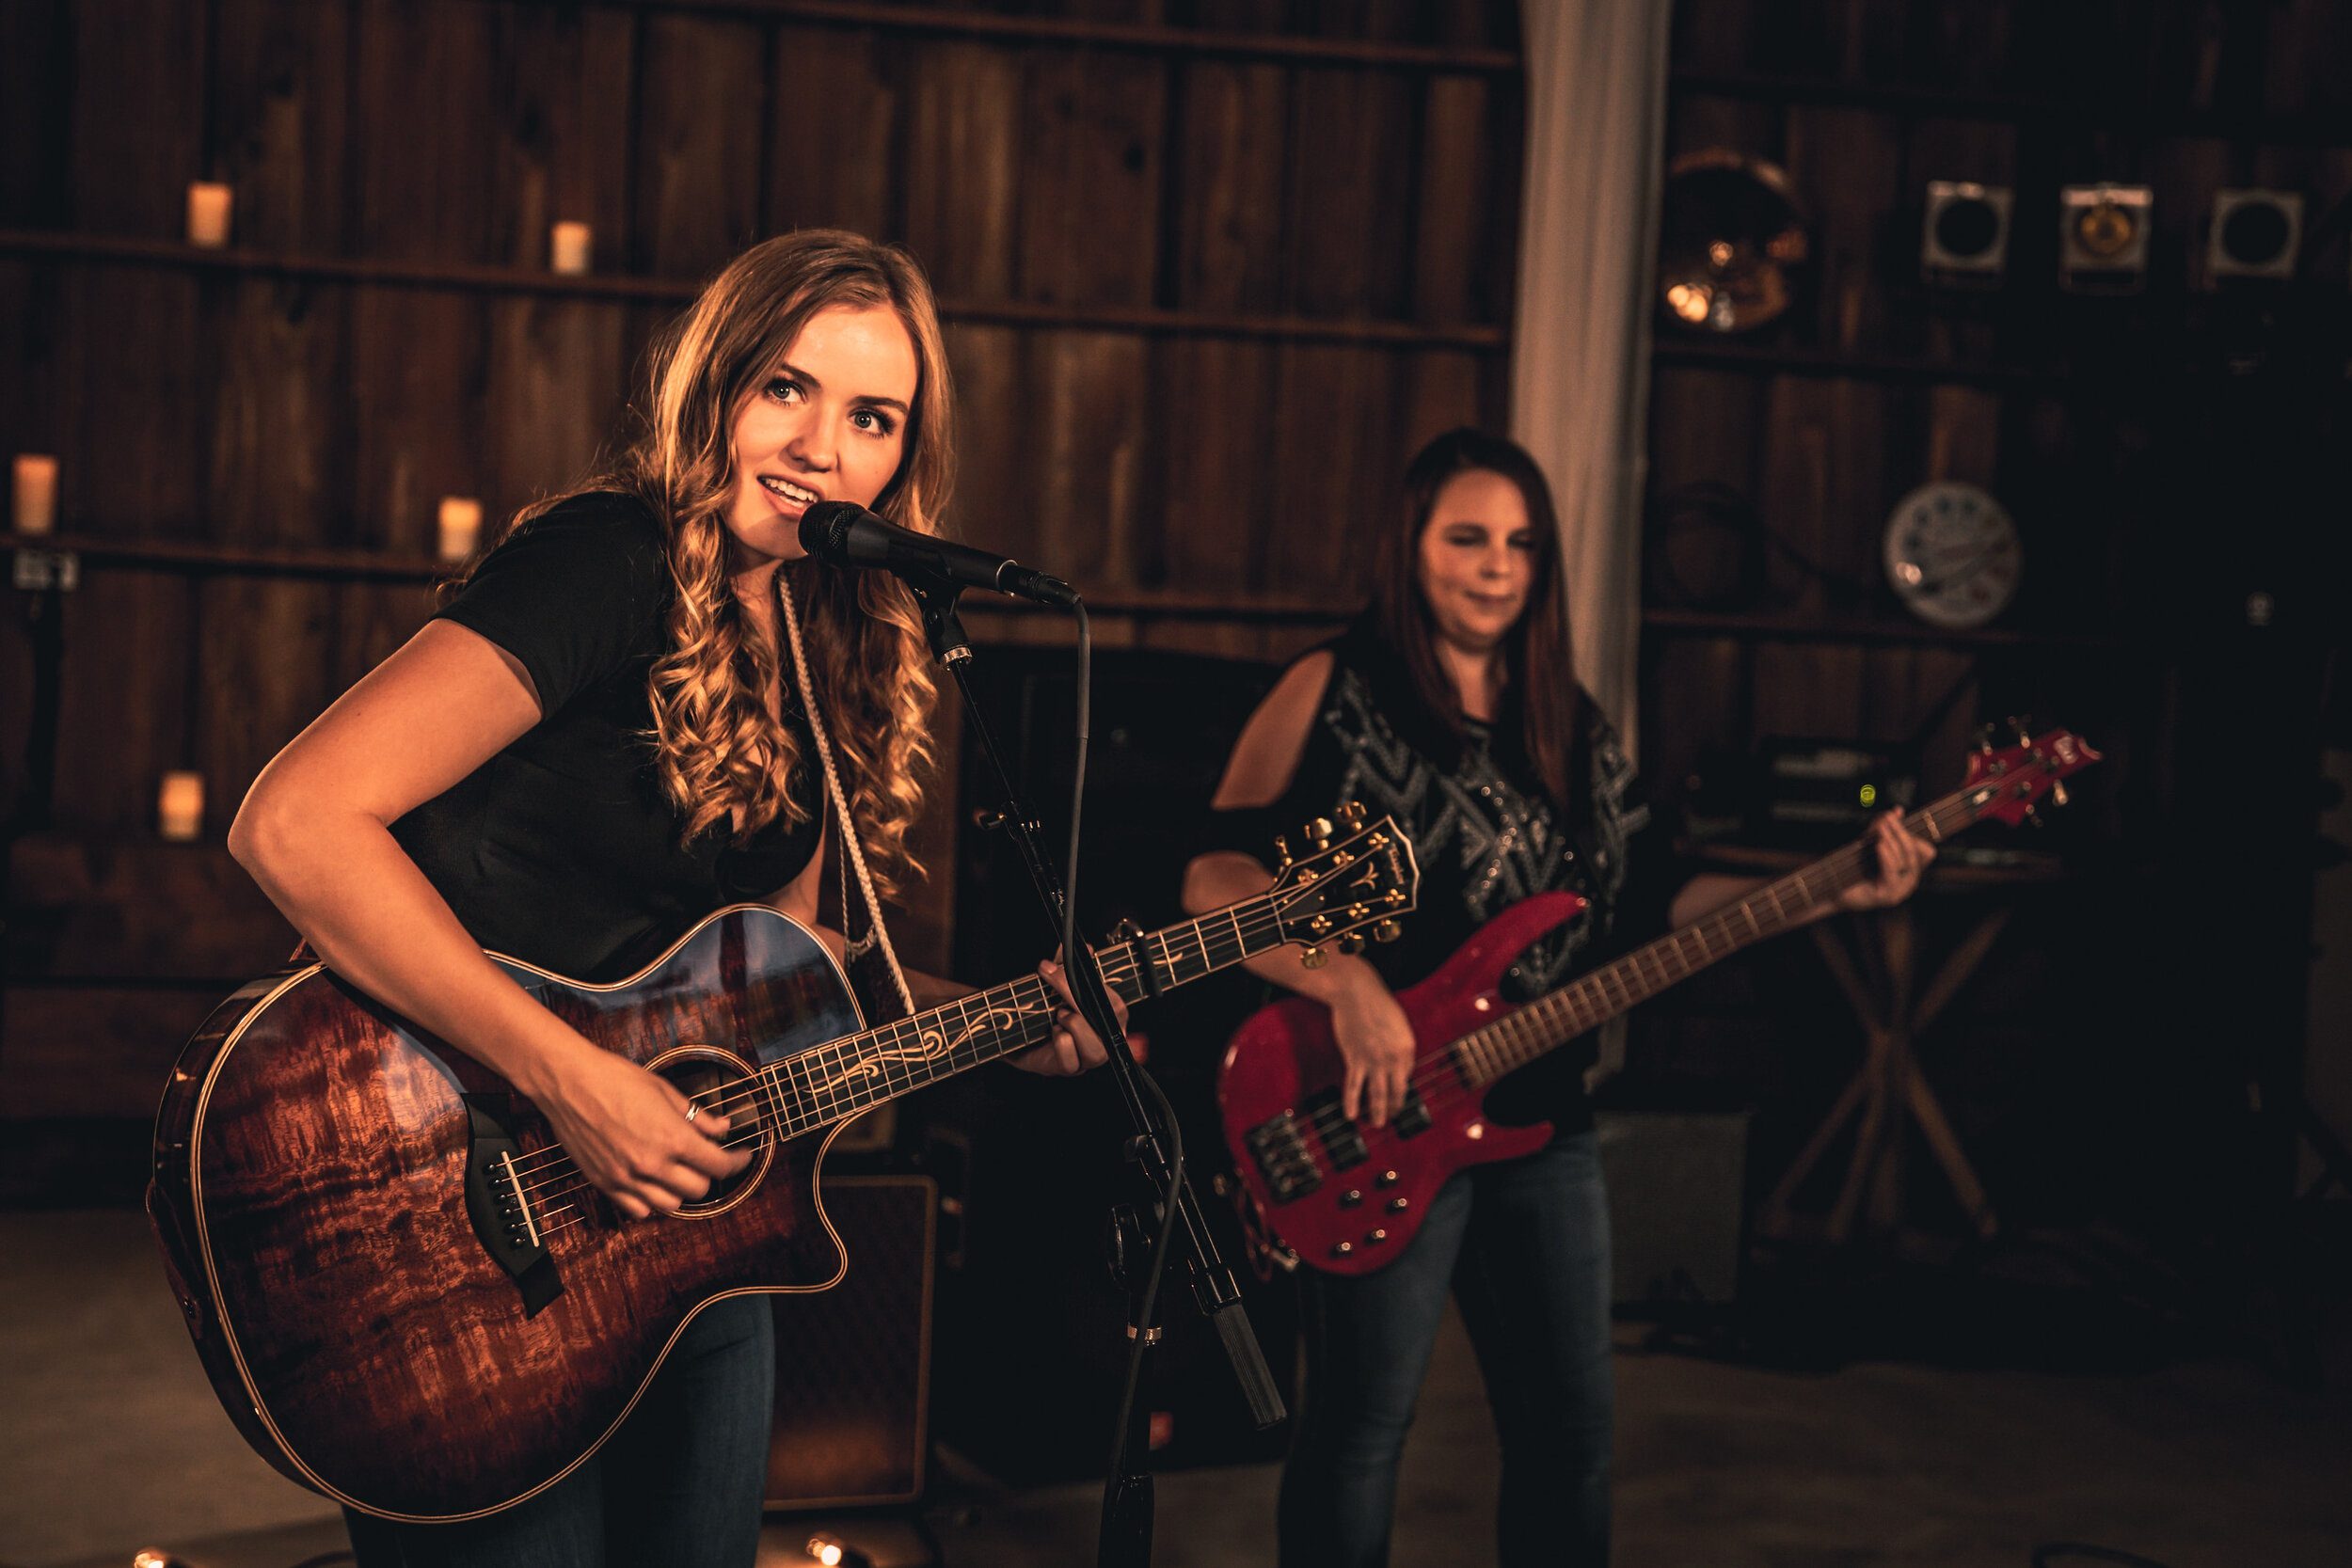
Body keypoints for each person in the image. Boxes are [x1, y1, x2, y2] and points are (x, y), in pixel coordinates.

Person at [229, 230, 1112, 1567]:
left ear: (903, 462)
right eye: (788, 388)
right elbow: (294, 820)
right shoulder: (606, 559)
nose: (824, 447)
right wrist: (575, 1081)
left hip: (688, 1236)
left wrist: (990, 1016)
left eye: (872, 417)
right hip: (458, 1204)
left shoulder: (827, 640)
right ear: (716, 382)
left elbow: (789, 973)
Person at [1181, 428, 1936, 1568]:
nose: (1495, 566)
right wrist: (1344, 982)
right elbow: (1213, 874)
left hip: (1542, 1122)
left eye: (1521, 543)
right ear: (1410, 547)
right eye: (1467, 538)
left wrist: (1834, 890)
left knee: (1571, 1437)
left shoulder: (1566, 719)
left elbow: (1659, 894)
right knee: (1357, 1433)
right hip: (1370, 1103)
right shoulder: (1332, 687)